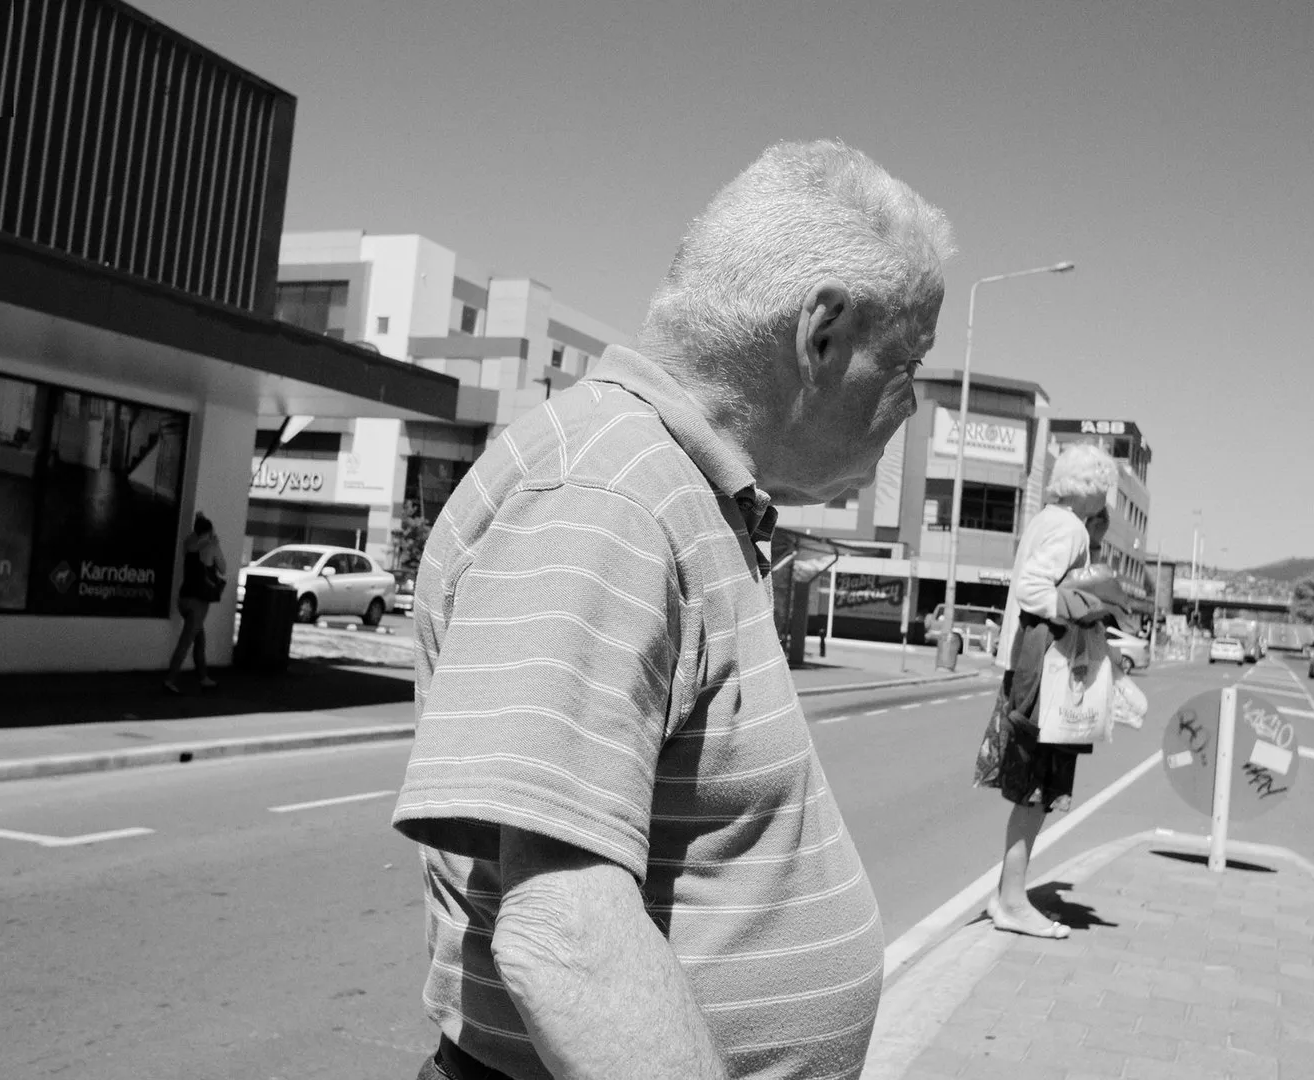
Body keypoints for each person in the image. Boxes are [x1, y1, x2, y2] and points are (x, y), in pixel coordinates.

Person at [393, 140, 955, 1080]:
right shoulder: (607, 495)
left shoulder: (667, 487)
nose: (911, 403)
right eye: (910, 362)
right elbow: (563, 933)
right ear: (822, 335)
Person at [975, 443, 1121, 938]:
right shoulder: (1069, 528)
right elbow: (1036, 589)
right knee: (1034, 791)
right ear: (1095, 489)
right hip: (1045, 676)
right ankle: (1012, 902)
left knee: (1030, 791)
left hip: (1027, 667)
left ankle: (1006, 895)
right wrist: (1089, 606)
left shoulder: (1048, 520)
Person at [164, 512, 227, 694]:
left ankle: (204, 677)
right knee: (186, 642)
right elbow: (223, 568)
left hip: (183, 599)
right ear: (208, 531)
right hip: (198, 602)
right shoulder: (210, 547)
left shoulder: (188, 544)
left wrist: (200, 521)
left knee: (200, 639)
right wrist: (216, 544)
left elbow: (196, 535)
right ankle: (170, 679)